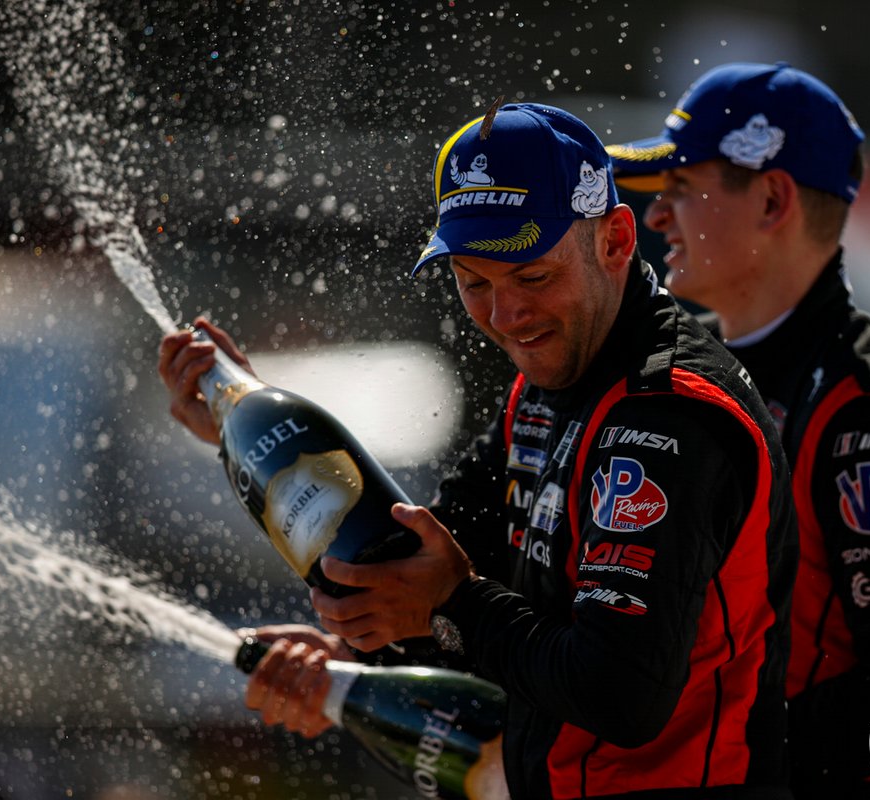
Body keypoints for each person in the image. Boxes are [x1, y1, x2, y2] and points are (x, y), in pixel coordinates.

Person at [159, 102, 799, 799]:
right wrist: (357, 647)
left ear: (616, 242)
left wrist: (449, 606)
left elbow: (619, 694)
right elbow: (440, 561)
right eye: (474, 284)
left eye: (532, 277)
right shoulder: (553, 379)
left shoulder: (669, 417)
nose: (505, 316)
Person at [607, 62, 870, 797]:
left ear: (773, 199)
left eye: (681, 189)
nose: (655, 216)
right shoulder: (672, 373)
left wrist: (709, 752)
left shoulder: (869, 420)